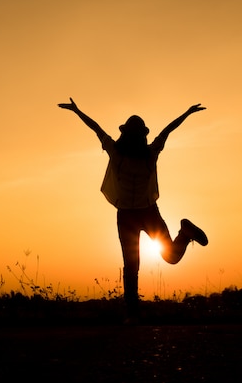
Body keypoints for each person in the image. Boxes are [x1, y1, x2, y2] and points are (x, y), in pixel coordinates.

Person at [57, 97, 208, 323]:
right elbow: (167, 131)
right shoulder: (150, 153)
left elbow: (96, 128)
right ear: (142, 136)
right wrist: (186, 113)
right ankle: (183, 235)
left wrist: (77, 111)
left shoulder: (117, 153)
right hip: (145, 212)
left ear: (124, 134)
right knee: (160, 259)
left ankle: (132, 314)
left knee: (133, 266)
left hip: (131, 214)